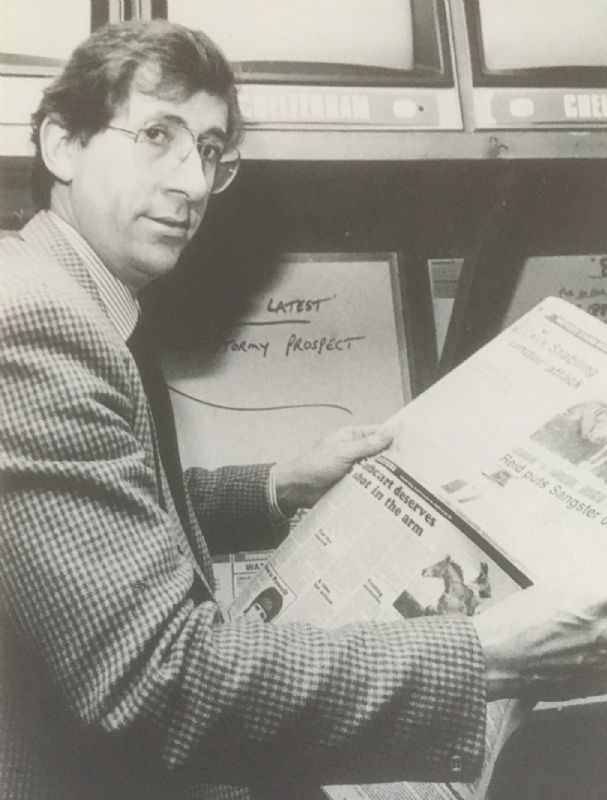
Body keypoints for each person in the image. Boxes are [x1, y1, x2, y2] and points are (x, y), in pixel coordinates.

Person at [0, 20, 606, 800]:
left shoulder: (62, 290)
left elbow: (90, 518)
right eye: (159, 134)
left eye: (211, 152)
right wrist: (485, 654)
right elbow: (163, 685)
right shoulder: (39, 328)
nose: (190, 182)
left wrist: (277, 484)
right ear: (60, 144)